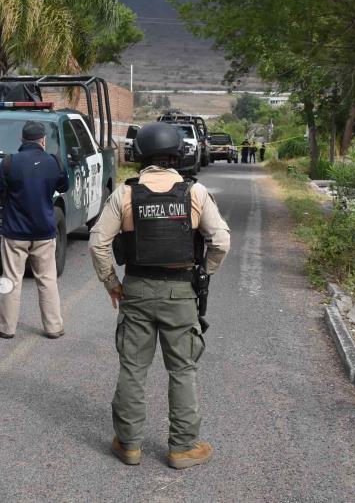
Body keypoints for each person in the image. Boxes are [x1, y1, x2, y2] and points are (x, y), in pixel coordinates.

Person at [89, 122, 230, 469]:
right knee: (182, 369)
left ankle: (129, 445)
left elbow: (97, 242)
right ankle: (182, 448)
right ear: (177, 154)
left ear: (139, 156)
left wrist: (111, 283)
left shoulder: (124, 193)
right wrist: (204, 274)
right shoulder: (194, 192)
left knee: (133, 368)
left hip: (135, 290)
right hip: (180, 293)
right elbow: (221, 241)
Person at [0, 120, 70, 339]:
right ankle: (53, 327)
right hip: (44, 232)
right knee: (47, 280)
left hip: (15, 233)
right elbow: (64, 186)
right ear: (43, 140)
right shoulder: (53, 162)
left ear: (22, 140)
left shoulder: (9, 163)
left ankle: (6, 328)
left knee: (12, 281)